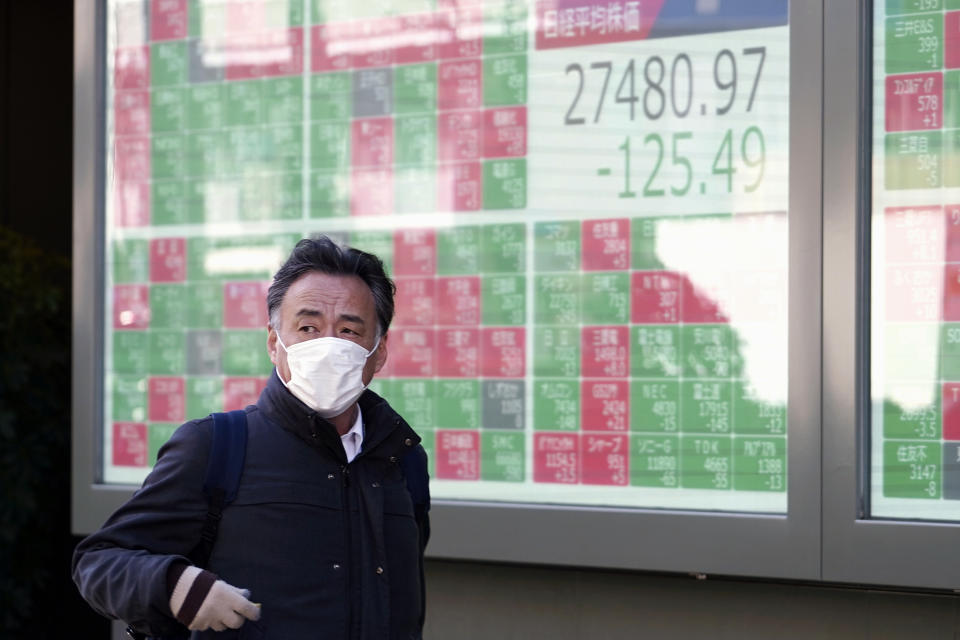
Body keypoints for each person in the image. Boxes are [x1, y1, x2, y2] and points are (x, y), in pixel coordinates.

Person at [73, 236, 430, 639]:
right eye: (307, 327)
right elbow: (100, 562)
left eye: (348, 330)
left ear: (378, 351)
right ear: (274, 343)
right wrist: (176, 586)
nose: (327, 345)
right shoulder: (215, 446)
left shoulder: (403, 460)